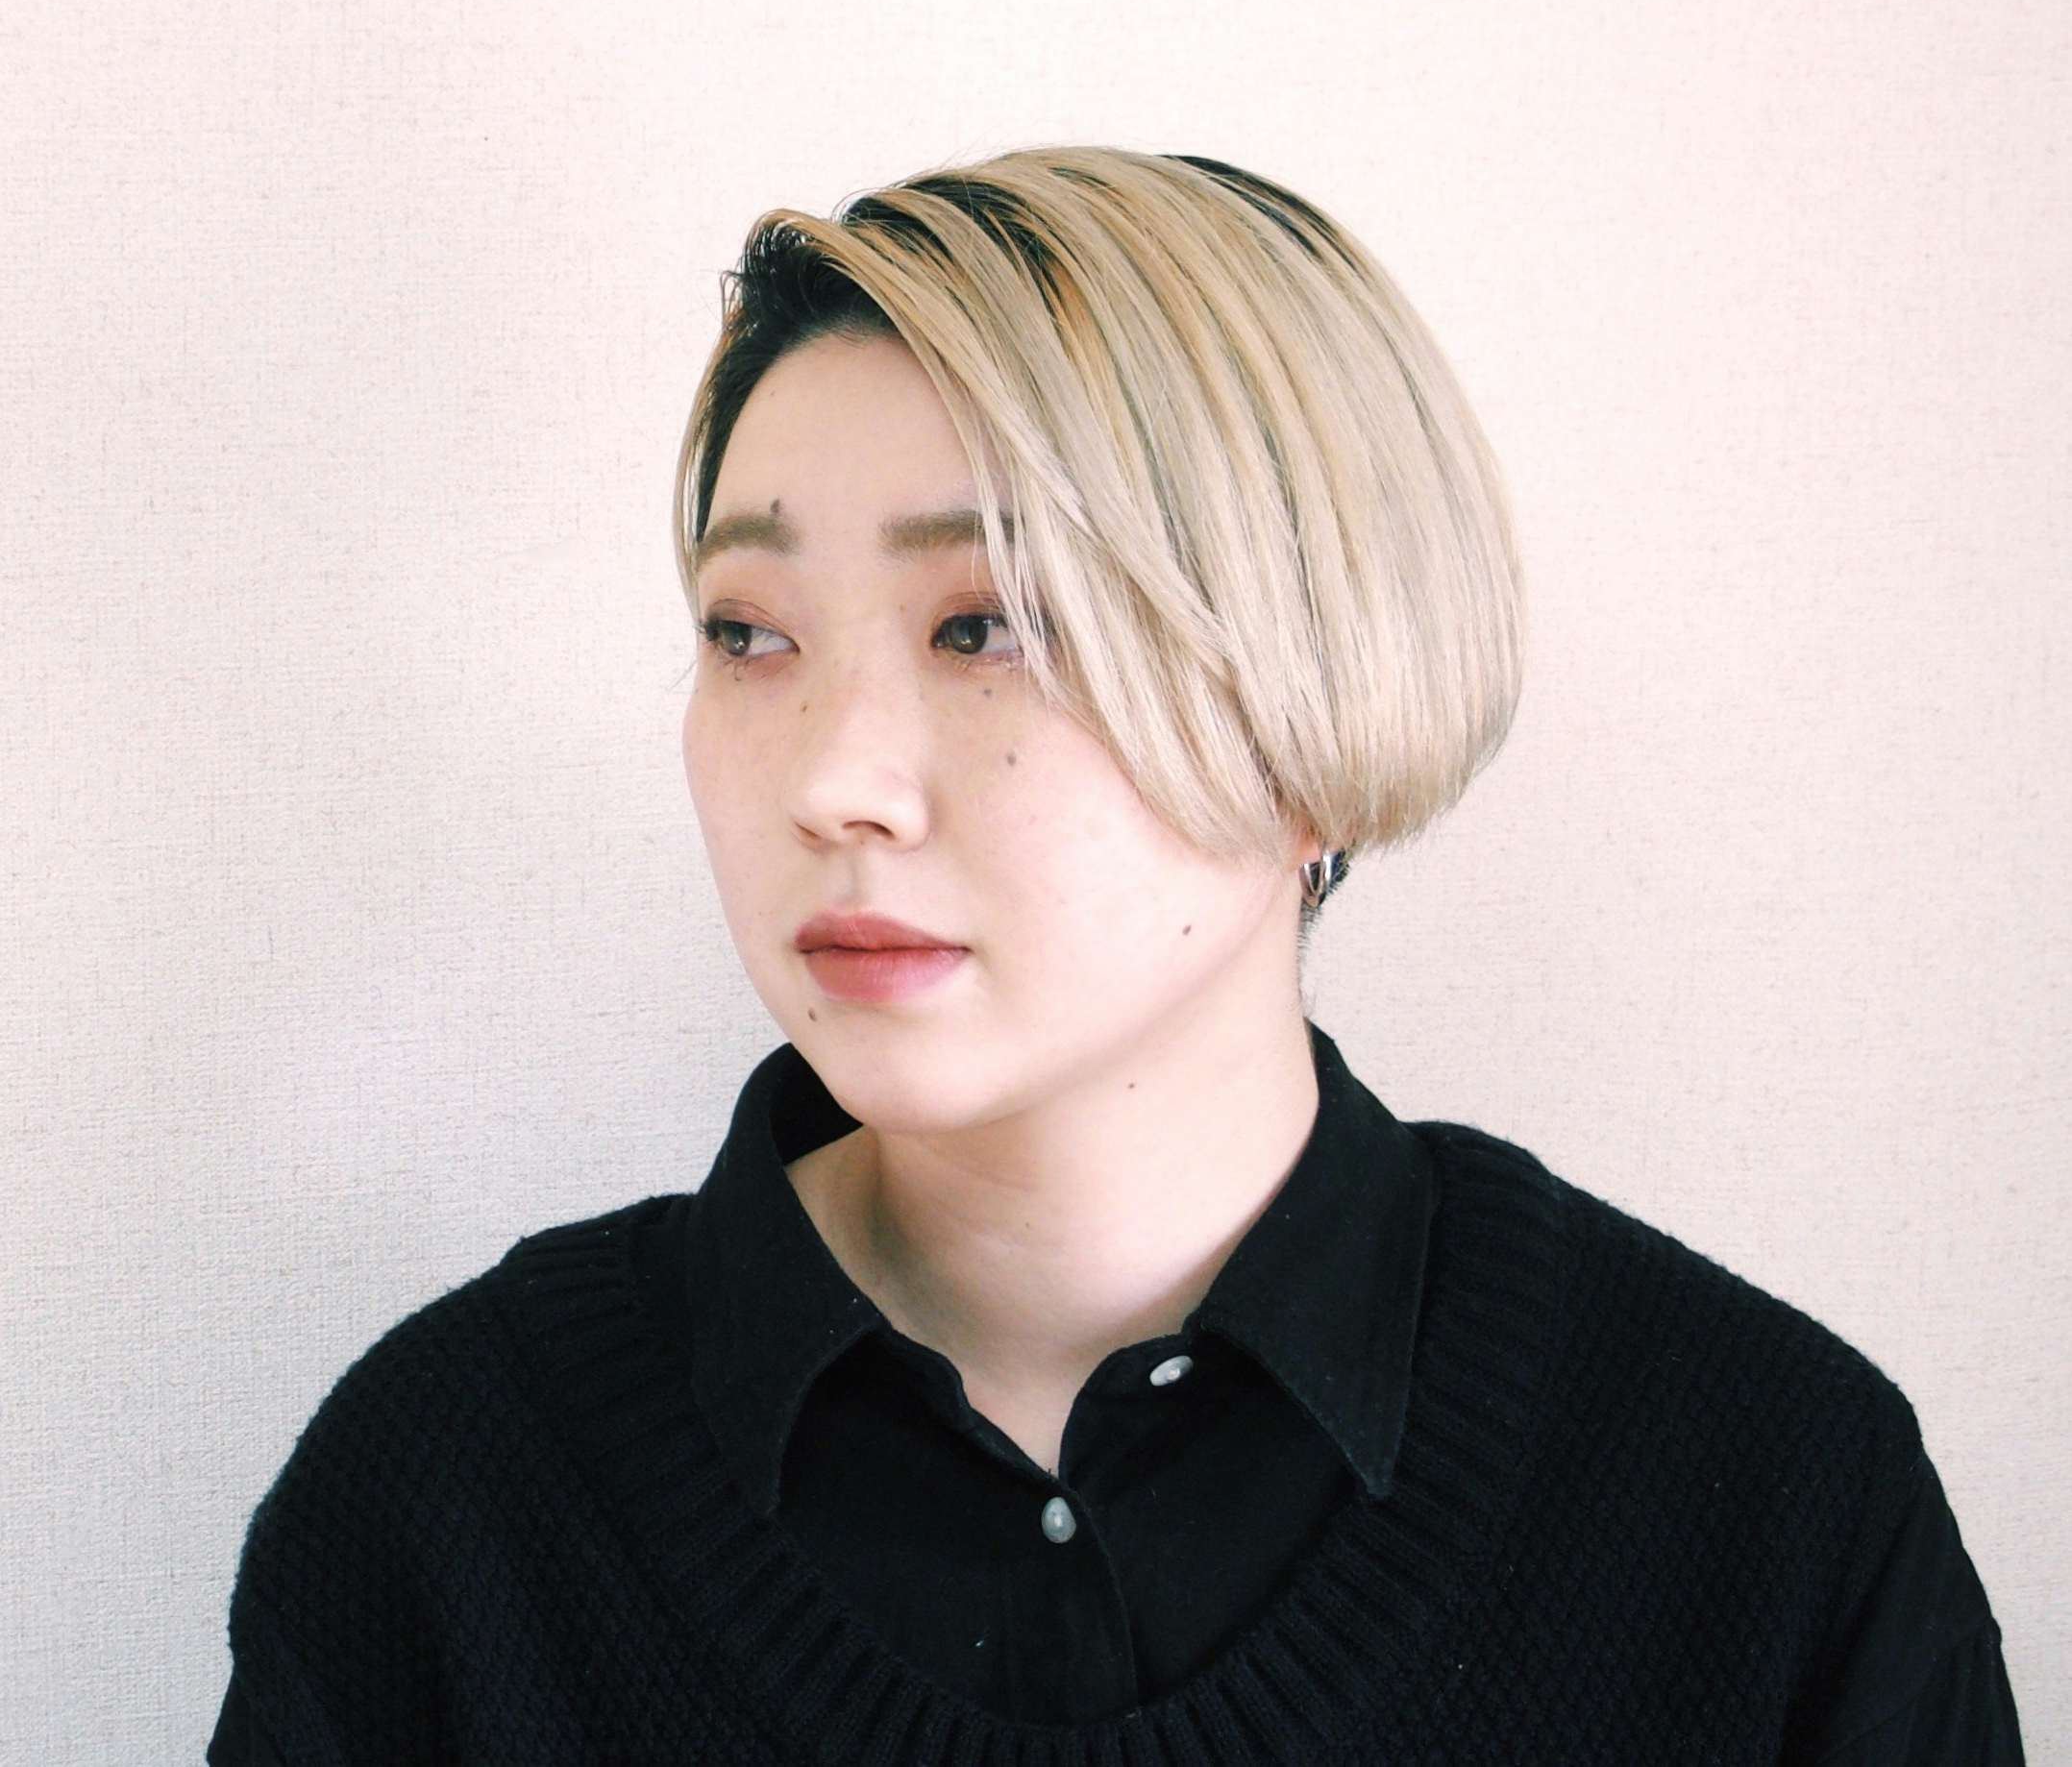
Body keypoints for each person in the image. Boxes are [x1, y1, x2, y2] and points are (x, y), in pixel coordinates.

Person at [208, 146, 2024, 1763]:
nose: (834, 780)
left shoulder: (1760, 1501)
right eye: (750, 633)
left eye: (988, 624)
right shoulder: (451, 1506)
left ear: (1316, 693)